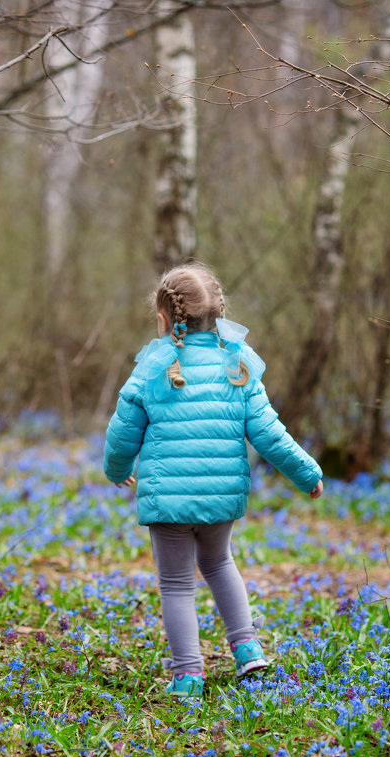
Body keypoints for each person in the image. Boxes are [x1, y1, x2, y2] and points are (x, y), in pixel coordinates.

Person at [103, 263, 324, 697]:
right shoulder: (237, 369)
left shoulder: (151, 369)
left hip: (168, 502)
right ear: (220, 315)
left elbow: (122, 432)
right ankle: (247, 648)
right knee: (221, 563)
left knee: (177, 583)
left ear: (164, 320)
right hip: (222, 497)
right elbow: (270, 434)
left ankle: (188, 673)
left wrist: (116, 470)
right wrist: (307, 472)